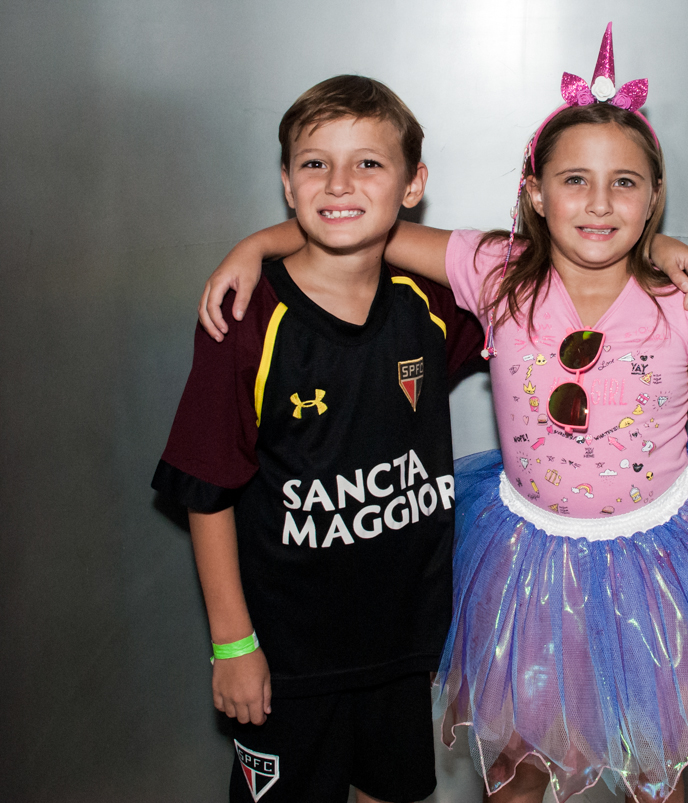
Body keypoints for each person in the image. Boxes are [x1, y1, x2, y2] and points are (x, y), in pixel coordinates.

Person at [199, 26, 688, 803]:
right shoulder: (496, 272)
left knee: (653, 765)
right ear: (535, 191)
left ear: (653, 199)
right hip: (529, 566)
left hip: (662, 565)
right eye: (575, 180)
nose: (599, 202)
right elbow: (367, 226)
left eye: (625, 184)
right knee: (519, 760)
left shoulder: (685, 299)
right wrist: (256, 244)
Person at [152, 75, 483, 803]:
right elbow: (206, 491)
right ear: (286, 180)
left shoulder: (429, 303)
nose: (339, 182)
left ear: (412, 184)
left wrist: (658, 251)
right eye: (314, 163)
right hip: (285, 658)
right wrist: (234, 644)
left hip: (403, 645)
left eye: (369, 162)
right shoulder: (246, 317)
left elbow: (540, 266)